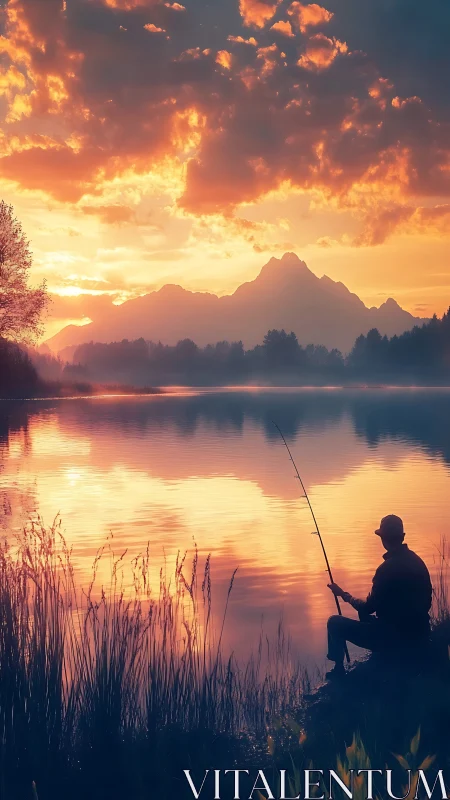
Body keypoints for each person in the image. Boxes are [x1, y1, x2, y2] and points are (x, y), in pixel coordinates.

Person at [326, 514, 432, 680]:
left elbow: (368, 607)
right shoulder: (418, 562)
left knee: (334, 622)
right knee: (367, 617)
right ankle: (382, 656)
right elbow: (427, 601)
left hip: (393, 637)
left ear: (383, 539)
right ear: (403, 536)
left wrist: (344, 595)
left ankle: (339, 671)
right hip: (419, 632)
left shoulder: (385, 569)